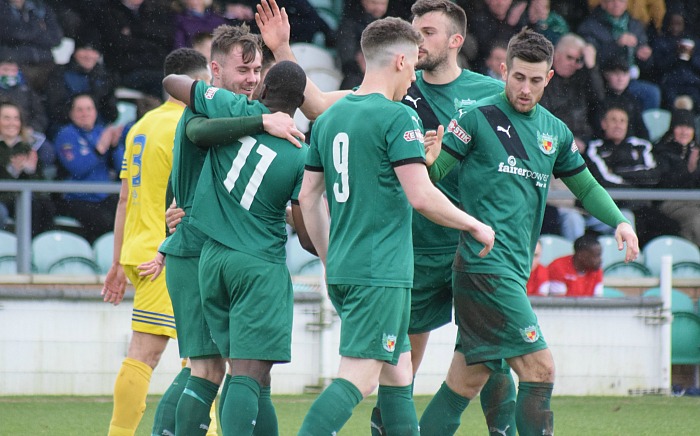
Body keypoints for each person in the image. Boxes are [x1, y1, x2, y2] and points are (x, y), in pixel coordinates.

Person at [421, 28, 638, 436]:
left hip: (512, 271)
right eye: (518, 77)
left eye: (535, 80)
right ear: (504, 71)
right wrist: (430, 160)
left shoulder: (554, 131)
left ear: (549, 79)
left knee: (466, 380)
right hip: (485, 267)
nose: (525, 88)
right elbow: (434, 177)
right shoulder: (475, 118)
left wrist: (620, 222)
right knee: (540, 368)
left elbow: (585, 186)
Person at [297, 16, 495, 436]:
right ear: (402, 61)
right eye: (414, 64)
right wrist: (473, 225)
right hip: (380, 272)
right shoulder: (398, 117)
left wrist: (330, 253)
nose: (414, 79)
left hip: (349, 267)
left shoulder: (330, 119)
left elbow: (308, 197)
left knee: (399, 374)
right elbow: (421, 196)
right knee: (360, 378)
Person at [369, 2, 517, 436]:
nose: (418, 41)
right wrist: (283, 49)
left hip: (473, 242)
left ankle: (502, 430)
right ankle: (390, 429)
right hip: (412, 243)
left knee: (489, 351)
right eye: (414, 32)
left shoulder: (491, 93)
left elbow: (511, 165)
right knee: (400, 362)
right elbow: (331, 108)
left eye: (428, 32)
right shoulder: (393, 88)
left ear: (456, 41)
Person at [150, 22, 304, 435]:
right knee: (207, 369)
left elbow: (184, 175)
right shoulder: (210, 108)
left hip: (208, 248)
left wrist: (178, 207)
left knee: (248, 374)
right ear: (215, 72)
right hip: (202, 249)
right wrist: (263, 123)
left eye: (257, 72)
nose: (251, 79)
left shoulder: (247, 111)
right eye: (243, 70)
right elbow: (197, 133)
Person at [185, 60, 315, 436]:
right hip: (258, 266)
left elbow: (174, 83)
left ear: (262, 90)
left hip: (212, 261)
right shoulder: (298, 151)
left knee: (253, 378)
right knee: (247, 375)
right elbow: (306, 235)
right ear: (301, 101)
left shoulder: (232, 121)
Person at [100, 48, 211, 436]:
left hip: (137, 248)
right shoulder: (190, 124)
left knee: (171, 354)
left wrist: (116, 262)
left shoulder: (142, 125)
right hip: (167, 254)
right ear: (195, 83)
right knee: (191, 356)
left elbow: (124, 198)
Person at [53, 93, 123, 243]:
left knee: (127, 218)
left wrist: (116, 146)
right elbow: (77, 168)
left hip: (104, 196)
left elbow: (122, 169)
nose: (85, 114)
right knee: (104, 222)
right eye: (79, 110)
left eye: (89, 109)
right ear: (71, 113)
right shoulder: (65, 135)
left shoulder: (100, 132)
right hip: (77, 198)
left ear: (95, 112)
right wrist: (100, 149)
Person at [577, 0, 660, 111]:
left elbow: (648, 67)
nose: (617, 4)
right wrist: (616, 45)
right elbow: (591, 59)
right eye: (611, 1)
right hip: (603, 82)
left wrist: (645, 56)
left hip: (629, 80)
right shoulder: (590, 26)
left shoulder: (635, 25)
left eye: (621, 1)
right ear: (603, 3)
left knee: (652, 93)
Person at [44, 34, 118, 138]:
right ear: (75, 52)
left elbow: (112, 113)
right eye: (84, 49)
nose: (89, 55)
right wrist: (80, 115)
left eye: (94, 50)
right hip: (66, 129)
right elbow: (54, 109)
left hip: (98, 131)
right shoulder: (60, 73)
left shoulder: (105, 77)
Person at [96, 0, 175, 98]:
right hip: (125, 72)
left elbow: (166, 37)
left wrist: (134, 31)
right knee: (167, 81)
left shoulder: (154, 10)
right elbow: (118, 44)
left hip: (154, 66)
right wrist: (150, 41)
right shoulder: (110, 11)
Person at [0, 100, 55, 235]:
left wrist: (30, 170)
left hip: (27, 198)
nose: (12, 123)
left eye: (16, 118)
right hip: (5, 199)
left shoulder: (27, 148)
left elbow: (40, 183)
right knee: (31, 206)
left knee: (45, 205)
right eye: (6, 118)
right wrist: (13, 171)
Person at [653, 109, 700, 246]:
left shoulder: (697, 151)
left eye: (688, 127)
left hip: (695, 200)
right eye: (680, 127)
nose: (685, 132)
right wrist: (689, 170)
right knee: (695, 220)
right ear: (673, 129)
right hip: (671, 201)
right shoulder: (661, 151)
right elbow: (665, 181)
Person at [0, 0, 63, 91]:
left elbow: (55, 38)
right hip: (15, 64)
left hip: (45, 63)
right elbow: (10, 33)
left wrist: (24, 33)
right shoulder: (2, 8)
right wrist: (39, 29)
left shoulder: (41, 8)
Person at [336, 0, 389, 89]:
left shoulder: (391, 24)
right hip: (357, 76)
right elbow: (346, 56)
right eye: (374, 3)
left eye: (383, 4)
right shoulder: (350, 23)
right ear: (364, 1)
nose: (379, 8)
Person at [0, 55, 49, 135]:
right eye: (5, 69)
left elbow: (40, 116)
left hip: (27, 133)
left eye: (13, 70)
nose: (9, 74)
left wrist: (32, 128)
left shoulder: (27, 90)